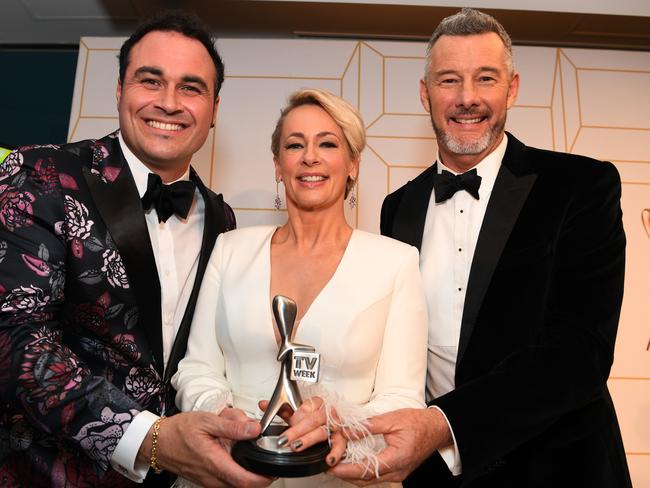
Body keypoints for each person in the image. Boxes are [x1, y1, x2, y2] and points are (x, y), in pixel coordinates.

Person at [331, 8, 632, 488]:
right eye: (449, 80)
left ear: (511, 88)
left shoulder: (582, 186)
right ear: (425, 93)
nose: (467, 98)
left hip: (559, 469)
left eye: (485, 79)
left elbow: (581, 353)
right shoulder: (398, 208)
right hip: (434, 476)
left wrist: (444, 425)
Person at [0, 11, 271, 488]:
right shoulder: (40, 173)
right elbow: (16, 339)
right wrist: (148, 438)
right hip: (46, 472)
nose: (169, 103)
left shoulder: (221, 218)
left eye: (191, 88)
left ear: (214, 108)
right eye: (151, 81)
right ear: (120, 90)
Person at [171, 88, 428, 487]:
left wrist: (339, 415)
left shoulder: (396, 262)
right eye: (295, 145)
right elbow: (197, 368)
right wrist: (221, 414)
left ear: (353, 163)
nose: (310, 157)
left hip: (342, 478)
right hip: (231, 470)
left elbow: (404, 398)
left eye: (328, 143)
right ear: (278, 164)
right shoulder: (230, 250)